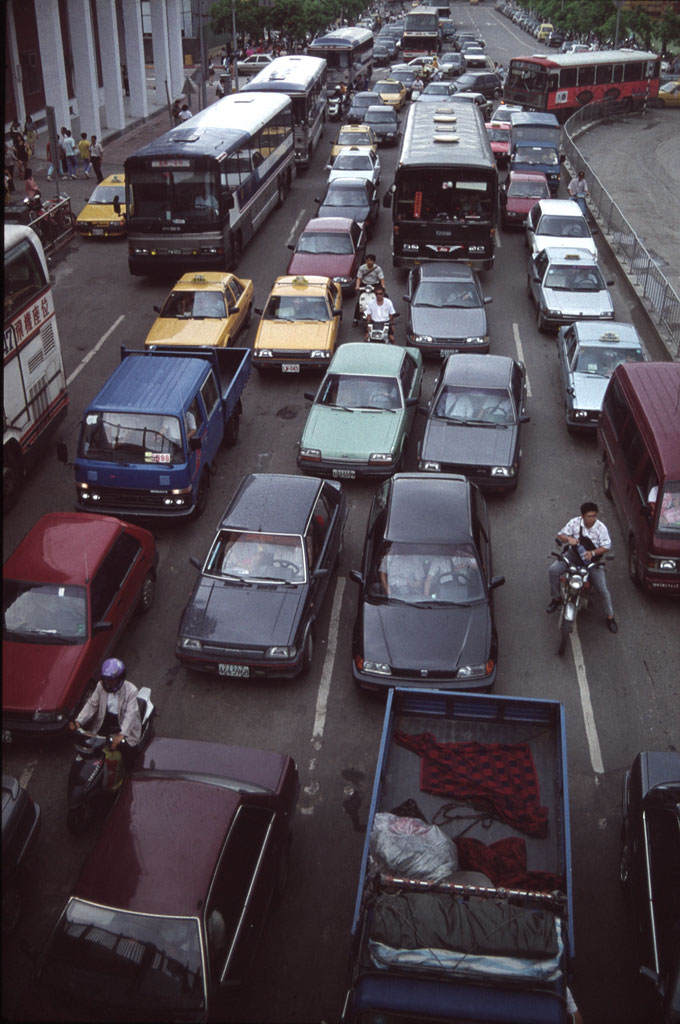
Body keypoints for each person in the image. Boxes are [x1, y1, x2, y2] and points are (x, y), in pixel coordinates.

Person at [546, 501, 618, 633]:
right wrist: (568, 539)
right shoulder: (574, 523)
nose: (592, 519)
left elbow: (606, 546)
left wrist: (593, 553)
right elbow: (560, 535)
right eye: (589, 516)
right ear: (582, 516)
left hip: (591, 561)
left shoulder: (601, 528)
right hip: (573, 556)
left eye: (594, 516)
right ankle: (556, 598)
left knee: (602, 589)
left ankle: (610, 616)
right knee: (553, 571)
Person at [69, 658, 142, 771]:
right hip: (107, 721)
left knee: (127, 751)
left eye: (111, 680)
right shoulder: (100, 686)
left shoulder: (131, 691)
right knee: (92, 743)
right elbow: (91, 704)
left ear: (120, 678)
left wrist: (122, 734)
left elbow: (130, 715)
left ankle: (128, 771)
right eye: (106, 680)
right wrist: (79, 721)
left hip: (124, 725)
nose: (108, 683)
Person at [354, 253, 386, 324]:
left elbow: (381, 278)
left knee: (385, 297)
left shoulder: (378, 269)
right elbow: (359, 278)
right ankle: (355, 319)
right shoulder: (362, 268)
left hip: (375, 285)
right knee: (359, 301)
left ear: (373, 261)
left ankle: (385, 315)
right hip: (365, 285)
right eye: (367, 260)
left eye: (370, 260)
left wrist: (383, 286)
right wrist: (357, 286)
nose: (369, 262)